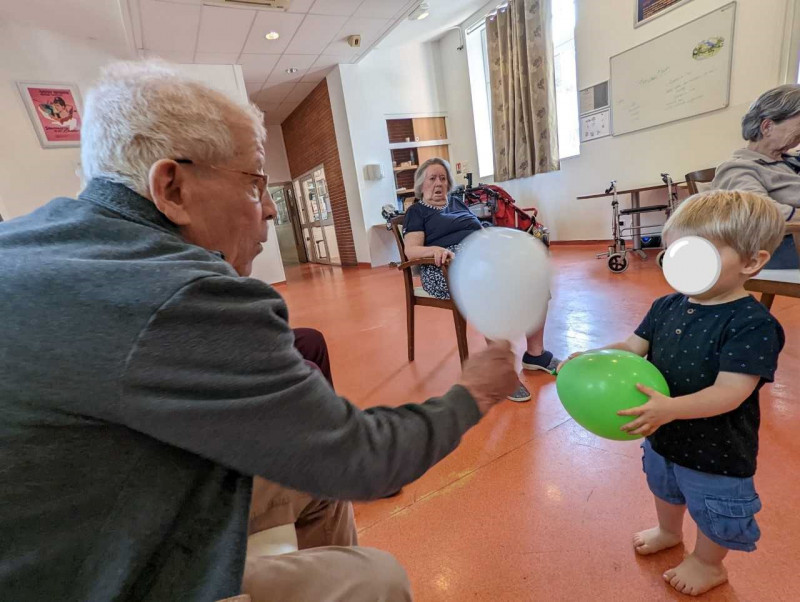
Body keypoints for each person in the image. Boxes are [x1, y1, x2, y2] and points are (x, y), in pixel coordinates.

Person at [0, 60, 519, 601]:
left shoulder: (36, 240)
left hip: (78, 514)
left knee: (309, 483)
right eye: (254, 184)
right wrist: (475, 390)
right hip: (88, 575)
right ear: (172, 187)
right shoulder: (181, 293)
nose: (271, 210)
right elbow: (365, 461)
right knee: (377, 579)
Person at [560, 190, 785, 596]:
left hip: (717, 448)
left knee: (715, 508)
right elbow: (633, 348)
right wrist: (593, 354)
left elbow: (730, 392)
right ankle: (668, 530)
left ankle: (708, 563)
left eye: (699, 255)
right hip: (662, 433)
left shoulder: (752, 324)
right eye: (675, 251)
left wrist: (671, 408)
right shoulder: (667, 305)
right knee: (664, 486)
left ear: (751, 262)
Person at [402, 157, 560, 403]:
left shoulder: (456, 203)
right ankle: (502, 372)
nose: (438, 183)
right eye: (432, 178)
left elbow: (480, 230)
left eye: (443, 178)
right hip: (444, 267)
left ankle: (535, 354)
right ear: (421, 184)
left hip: (482, 257)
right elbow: (411, 250)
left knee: (534, 275)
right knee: (489, 285)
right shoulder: (417, 211)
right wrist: (434, 251)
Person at [712, 84, 800, 268]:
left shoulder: (790, 159)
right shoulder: (738, 168)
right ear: (767, 126)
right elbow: (758, 215)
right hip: (782, 247)